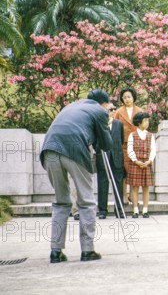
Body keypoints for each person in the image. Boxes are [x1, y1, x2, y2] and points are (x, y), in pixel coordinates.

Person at [40, 89, 112, 263]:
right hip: (74, 150)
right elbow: (107, 145)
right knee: (86, 201)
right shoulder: (100, 111)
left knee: (61, 201)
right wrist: (107, 126)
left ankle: (55, 252)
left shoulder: (72, 106)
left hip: (49, 149)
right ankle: (87, 251)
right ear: (104, 104)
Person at [114, 87, 143, 206]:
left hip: (136, 145)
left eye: (129, 96)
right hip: (123, 145)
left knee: (134, 171)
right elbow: (115, 128)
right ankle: (124, 196)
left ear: (133, 97)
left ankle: (133, 195)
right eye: (124, 97)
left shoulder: (140, 111)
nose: (127, 99)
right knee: (124, 171)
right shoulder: (119, 112)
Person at [96, 101, 125, 219]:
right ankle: (103, 211)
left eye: (114, 109)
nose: (113, 111)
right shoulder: (99, 124)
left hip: (116, 157)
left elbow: (121, 139)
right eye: (110, 109)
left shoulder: (119, 124)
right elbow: (95, 141)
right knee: (102, 183)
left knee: (118, 183)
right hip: (102, 156)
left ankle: (119, 210)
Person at [126, 112, 156, 218]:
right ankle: (135, 209)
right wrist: (135, 160)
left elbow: (153, 149)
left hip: (146, 164)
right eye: (145, 121)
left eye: (148, 120)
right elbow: (130, 149)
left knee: (146, 187)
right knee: (134, 187)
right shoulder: (132, 135)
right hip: (136, 164)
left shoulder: (150, 135)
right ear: (139, 123)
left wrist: (149, 160)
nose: (147, 123)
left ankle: (145, 209)